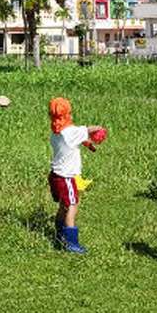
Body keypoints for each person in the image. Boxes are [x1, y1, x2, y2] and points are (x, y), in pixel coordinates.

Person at [48, 97, 105, 253]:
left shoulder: (56, 133)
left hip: (55, 175)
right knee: (72, 206)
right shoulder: (72, 132)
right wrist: (99, 129)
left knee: (63, 206)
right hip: (66, 177)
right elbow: (89, 129)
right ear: (67, 113)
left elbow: (76, 136)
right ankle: (72, 244)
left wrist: (86, 142)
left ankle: (59, 236)